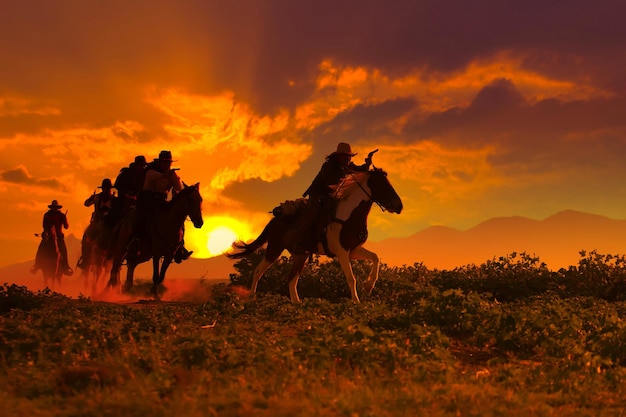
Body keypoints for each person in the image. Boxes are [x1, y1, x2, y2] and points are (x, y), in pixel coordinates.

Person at [286, 142, 373, 253]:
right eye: (346, 156)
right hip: (318, 193)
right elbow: (331, 181)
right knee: (313, 212)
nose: (348, 159)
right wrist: (348, 178)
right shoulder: (329, 166)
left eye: (349, 157)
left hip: (332, 195)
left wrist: (367, 165)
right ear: (338, 156)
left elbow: (358, 170)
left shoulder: (347, 166)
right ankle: (299, 241)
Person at [129, 150, 192, 262]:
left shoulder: (172, 175)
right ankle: (134, 241)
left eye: (169, 162)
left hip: (162, 201)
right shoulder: (151, 171)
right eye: (165, 162)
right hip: (147, 200)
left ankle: (179, 246)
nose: (167, 164)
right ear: (160, 162)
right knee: (141, 217)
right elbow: (151, 178)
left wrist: (175, 181)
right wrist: (165, 175)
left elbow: (178, 188)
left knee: (179, 221)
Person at [32, 200, 73, 275]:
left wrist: (64, 220)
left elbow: (66, 226)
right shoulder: (47, 215)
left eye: (55, 207)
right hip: (48, 234)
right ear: (52, 207)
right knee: (40, 248)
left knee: (63, 249)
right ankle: (37, 265)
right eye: (53, 207)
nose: (54, 209)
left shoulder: (61, 215)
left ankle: (65, 266)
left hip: (59, 236)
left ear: (57, 208)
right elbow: (44, 225)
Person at [111, 155, 147, 222]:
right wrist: (127, 194)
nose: (142, 167)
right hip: (124, 198)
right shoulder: (126, 174)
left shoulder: (144, 175)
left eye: (143, 166)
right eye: (140, 165)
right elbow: (118, 185)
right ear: (136, 165)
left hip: (138, 198)